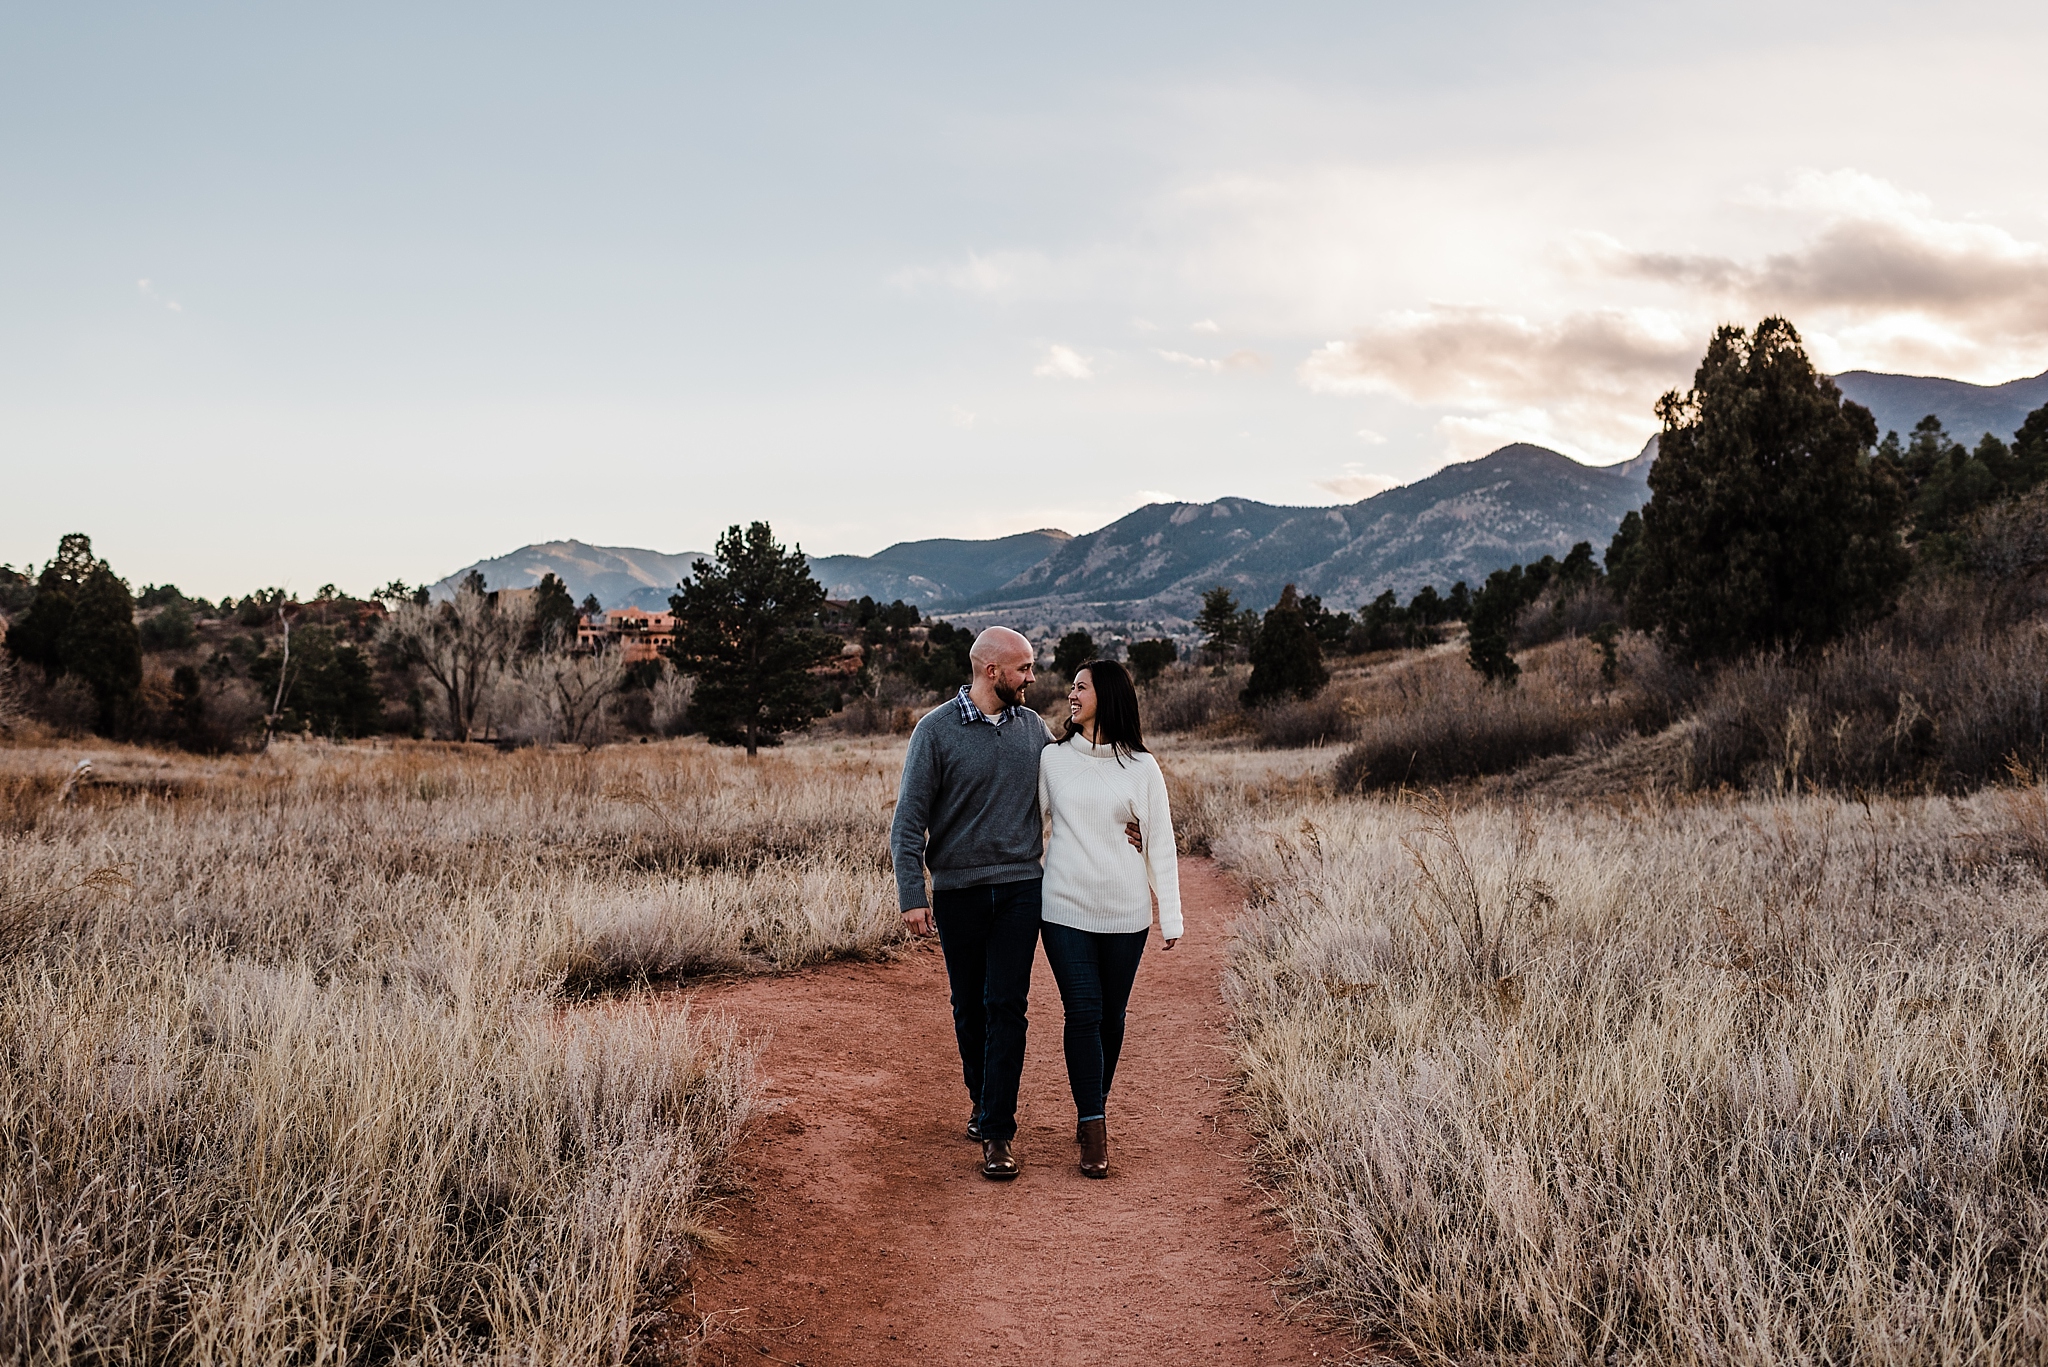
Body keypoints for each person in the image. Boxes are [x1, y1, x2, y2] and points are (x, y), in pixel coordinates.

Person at [1036, 657, 1180, 1179]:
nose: (1071, 695)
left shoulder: (1143, 767)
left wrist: (1172, 917)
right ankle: (1093, 1126)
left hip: (1125, 911)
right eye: (1070, 687)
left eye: (1081, 687)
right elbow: (1029, 827)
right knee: (1084, 1011)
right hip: (1064, 907)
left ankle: (1092, 1099)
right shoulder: (1051, 760)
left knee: (1112, 1016)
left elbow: (1160, 839)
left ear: (1109, 696)